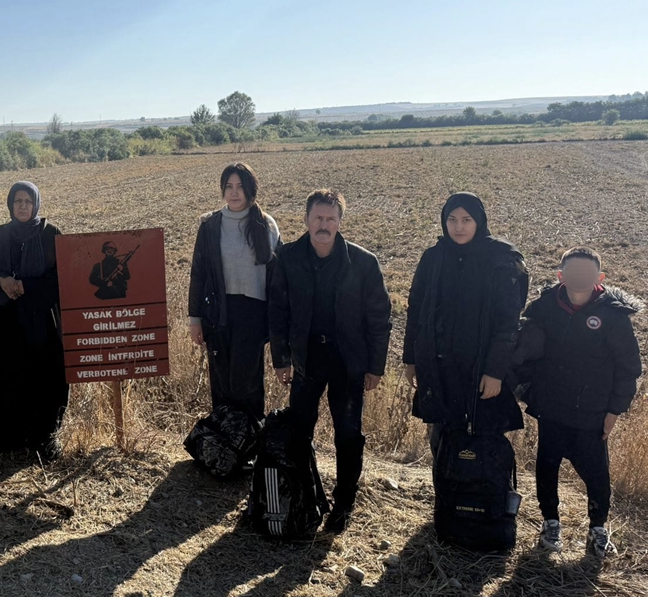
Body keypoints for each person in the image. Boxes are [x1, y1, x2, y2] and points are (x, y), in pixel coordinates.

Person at [268, 188, 392, 532]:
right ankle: (304, 496)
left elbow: (380, 317)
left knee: (349, 434)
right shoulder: (288, 258)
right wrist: (281, 358)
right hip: (306, 360)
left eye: (330, 218)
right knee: (300, 430)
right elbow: (277, 312)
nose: (324, 224)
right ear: (306, 220)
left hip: (348, 362)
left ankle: (344, 503)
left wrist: (375, 367)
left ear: (340, 222)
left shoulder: (364, 263)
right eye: (318, 217)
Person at [514, 248, 643, 557]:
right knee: (546, 467)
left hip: (593, 411)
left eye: (587, 274)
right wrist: (526, 390)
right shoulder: (544, 308)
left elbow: (628, 369)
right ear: (561, 276)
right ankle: (550, 523)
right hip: (552, 407)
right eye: (572, 273)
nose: (579, 279)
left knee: (597, 473)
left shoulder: (613, 316)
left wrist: (614, 410)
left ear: (600, 278)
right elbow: (524, 350)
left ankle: (598, 528)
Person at [402, 192, 528, 452]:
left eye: (467, 219)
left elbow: (508, 323)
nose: (458, 227)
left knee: (484, 445)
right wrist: (411, 360)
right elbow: (416, 311)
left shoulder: (501, 259)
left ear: (479, 222)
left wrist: (495, 372)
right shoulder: (434, 258)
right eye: (452, 219)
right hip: (440, 369)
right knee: (442, 441)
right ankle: (445, 492)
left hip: (480, 370)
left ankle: (495, 494)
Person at [0, 181, 67, 458]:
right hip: (6, 322)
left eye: (27, 201)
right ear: (10, 205)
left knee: (45, 375)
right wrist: (1, 280)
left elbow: (62, 277)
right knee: (8, 373)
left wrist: (26, 285)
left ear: (36, 203)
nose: (22, 206)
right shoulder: (0, 235)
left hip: (42, 320)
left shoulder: (51, 234)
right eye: (17, 202)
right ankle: (7, 434)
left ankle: (44, 435)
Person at [188, 162, 281, 422]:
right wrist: (195, 319)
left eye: (240, 186)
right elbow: (198, 274)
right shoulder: (209, 226)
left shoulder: (266, 224)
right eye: (229, 186)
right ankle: (224, 447)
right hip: (218, 312)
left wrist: (277, 324)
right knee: (221, 383)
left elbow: (277, 279)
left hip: (253, 314)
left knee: (247, 383)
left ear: (251, 189)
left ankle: (249, 446)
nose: (234, 192)